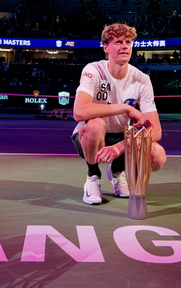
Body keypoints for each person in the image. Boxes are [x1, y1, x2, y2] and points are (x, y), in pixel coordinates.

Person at [71, 23, 166, 205]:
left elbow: (155, 132)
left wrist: (118, 148)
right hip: (92, 137)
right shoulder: (93, 70)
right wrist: (126, 108)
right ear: (106, 47)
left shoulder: (142, 80)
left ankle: (117, 171)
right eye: (118, 42)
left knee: (157, 156)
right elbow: (79, 112)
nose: (125, 46)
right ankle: (93, 176)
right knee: (95, 125)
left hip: (123, 138)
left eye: (128, 42)